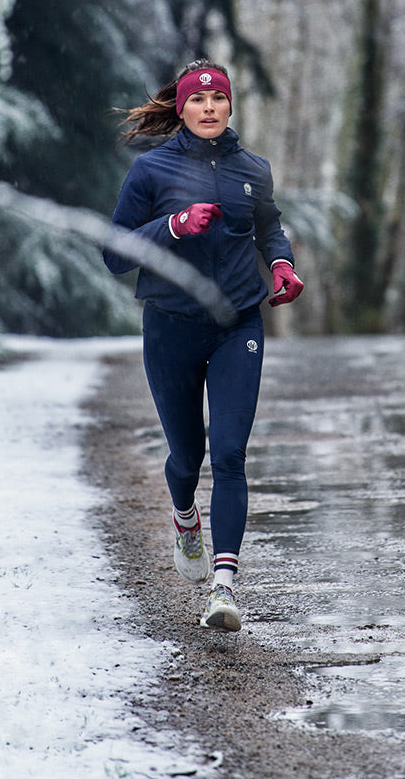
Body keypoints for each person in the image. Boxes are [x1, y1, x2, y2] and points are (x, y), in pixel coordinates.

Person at [103, 59, 303, 631]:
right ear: (182, 108)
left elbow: (268, 226)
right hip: (171, 326)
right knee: (187, 458)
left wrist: (282, 263)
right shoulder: (151, 171)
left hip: (239, 322)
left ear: (230, 106)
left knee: (231, 453)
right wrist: (173, 226)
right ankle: (185, 517)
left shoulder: (253, 169)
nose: (209, 109)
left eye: (218, 100)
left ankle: (224, 588)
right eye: (198, 101)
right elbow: (114, 254)